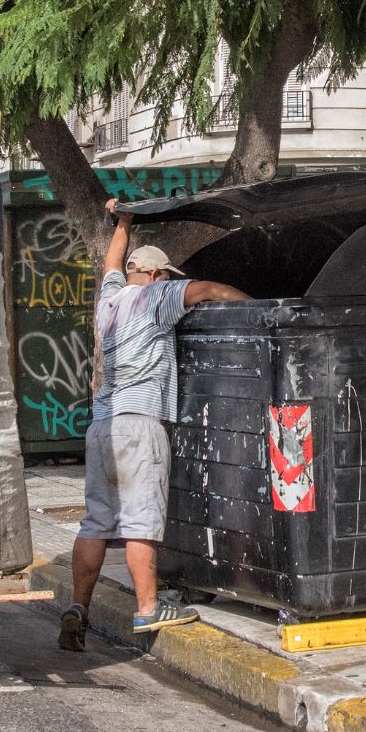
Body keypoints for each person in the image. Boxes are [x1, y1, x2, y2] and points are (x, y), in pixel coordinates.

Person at [59, 198, 251, 652]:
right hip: (140, 422)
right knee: (140, 519)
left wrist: (122, 223)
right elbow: (207, 290)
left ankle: (78, 608)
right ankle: (148, 609)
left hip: (101, 426)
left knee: (97, 522)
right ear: (159, 274)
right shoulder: (156, 296)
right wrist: (258, 309)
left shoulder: (109, 298)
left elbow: (110, 261)